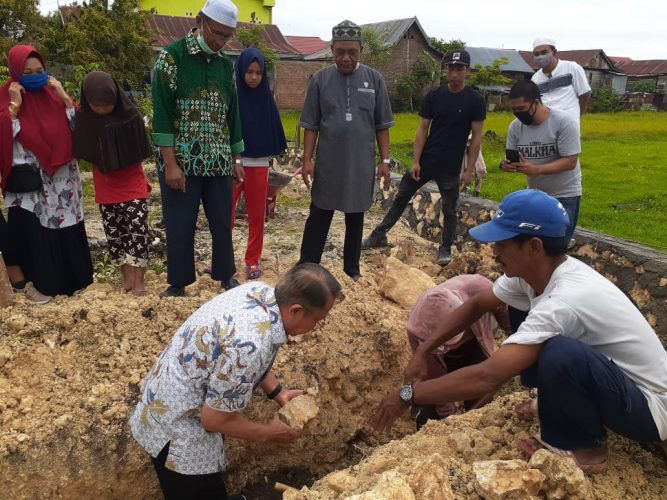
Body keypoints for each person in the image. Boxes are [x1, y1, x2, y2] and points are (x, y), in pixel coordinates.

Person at [373, 189, 667, 473]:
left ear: (534, 247)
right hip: (615, 385)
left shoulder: (565, 299)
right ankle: (556, 405)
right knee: (522, 316)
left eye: (502, 243)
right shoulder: (534, 275)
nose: (494, 250)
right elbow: (477, 304)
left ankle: (587, 449)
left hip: (650, 410)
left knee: (558, 351)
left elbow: (487, 376)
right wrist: (424, 350)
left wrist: (407, 394)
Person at [130, 263, 342, 499]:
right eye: (317, 320)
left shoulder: (260, 293)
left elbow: (239, 360)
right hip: (177, 434)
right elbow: (214, 419)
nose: (315, 328)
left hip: (166, 400)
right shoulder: (249, 345)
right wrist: (265, 433)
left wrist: (276, 391)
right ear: (296, 311)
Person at [152, 0, 244, 298]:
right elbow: (162, 113)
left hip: (217, 159)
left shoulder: (225, 66)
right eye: (217, 33)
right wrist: (170, 164)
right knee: (180, 224)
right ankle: (178, 282)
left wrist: (236, 157)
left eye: (227, 36)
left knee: (221, 222)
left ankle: (226, 276)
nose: (220, 41)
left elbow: (233, 115)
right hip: (182, 161)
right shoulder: (171, 58)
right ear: (200, 21)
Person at [362, 49, 486, 265]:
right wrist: (416, 161)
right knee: (401, 198)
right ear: (445, 69)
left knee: (449, 208)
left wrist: (468, 170)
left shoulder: (475, 100)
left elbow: (476, 137)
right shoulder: (434, 96)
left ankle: (445, 247)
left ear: (467, 71)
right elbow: (422, 129)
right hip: (427, 160)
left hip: (451, 165)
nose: (454, 73)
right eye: (450, 68)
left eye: (459, 68)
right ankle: (379, 234)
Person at [298, 20, 394, 279]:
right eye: (340, 52)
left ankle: (352, 270)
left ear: (361, 49)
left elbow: (382, 125)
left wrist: (384, 160)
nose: (346, 58)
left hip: (360, 162)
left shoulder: (374, 79)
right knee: (320, 211)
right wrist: (307, 160)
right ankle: (307, 266)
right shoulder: (319, 79)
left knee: (355, 215)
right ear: (331, 49)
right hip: (328, 162)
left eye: (352, 52)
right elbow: (311, 125)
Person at [0, 45, 93, 302]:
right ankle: (42, 285)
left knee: (67, 228)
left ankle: (77, 282)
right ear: (16, 71)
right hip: (30, 183)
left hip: (63, 181)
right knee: (35, 231)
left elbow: (81, 129)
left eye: (40, 71)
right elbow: (3, 135)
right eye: (27, 72)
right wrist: (14, 106)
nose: (34, 76)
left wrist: (64, 97)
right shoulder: (5, 98)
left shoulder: (54, 96)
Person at [73, 71, 152, 296]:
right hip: (105, 189)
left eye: (106, 105)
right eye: (95, 105)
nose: (101, 110)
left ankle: (139, 282)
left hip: (132, 186)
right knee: (116, 236)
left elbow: (139, 150)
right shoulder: (86, 120)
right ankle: (127, 280)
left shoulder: (131, 116)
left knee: (137, 233)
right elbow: (82, 148)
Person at [212, 47, 287, 281]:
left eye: (258, 72)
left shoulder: (266, 100)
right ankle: (221, 261)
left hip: (259, 165)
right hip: (232, 165)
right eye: (249, 72)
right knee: (226, 216)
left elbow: (274, 131)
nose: (254, 77)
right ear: (240, 71)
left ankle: (252, 260)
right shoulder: (231, 98)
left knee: (256, 215)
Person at [407, 274, 510, 429]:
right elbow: (434, 376)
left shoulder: (481, 287)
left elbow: (503, 312)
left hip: (474, 343)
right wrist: (449, 421)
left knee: (478, 398)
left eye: (446, 343)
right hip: (439, 357)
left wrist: (517, 342)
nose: (444, 348)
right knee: (430, 408)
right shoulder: (416, 328)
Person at [502, 79, 581, 244]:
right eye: (514, 110)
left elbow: (570, 162)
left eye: (521, 109)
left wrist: (536, 169)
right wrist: (507, 165)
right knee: (532, 245)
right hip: (535, 194)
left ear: (536, 102)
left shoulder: (563, 122)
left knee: (556, 247)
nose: (518, 113)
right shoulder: (515, 127)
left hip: (564, 195)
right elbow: (514, 157)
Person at [531, 37, 591, 127]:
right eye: (537, 54)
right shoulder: (535, 78)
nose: (540, 56)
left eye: (544, 52)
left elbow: (584, 94)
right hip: (545, 126)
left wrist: (577, 115)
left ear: (554, 52)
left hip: (568, 125)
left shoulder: (572, 68)